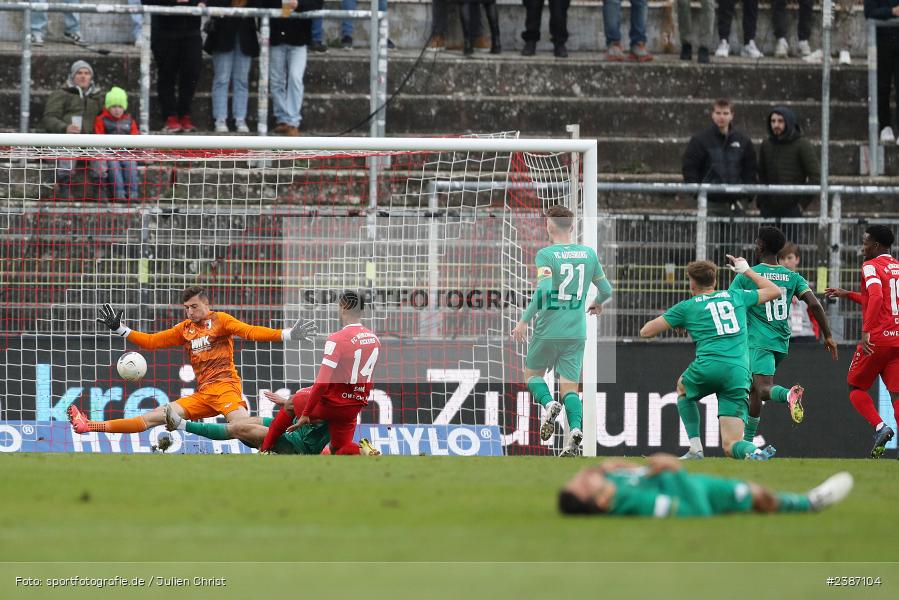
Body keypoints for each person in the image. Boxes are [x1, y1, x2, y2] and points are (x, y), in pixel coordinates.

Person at [67, 286, 316, 435]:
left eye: (194, 306)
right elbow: (152, 341)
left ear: (206, 304)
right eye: (186, 307)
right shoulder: (185, 329)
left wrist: (287, 334)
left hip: (226, 388)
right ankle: (90, 426)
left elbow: (250, 331)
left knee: (241, 428)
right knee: (160, 414)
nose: (189, 311)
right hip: (204, 393)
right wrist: (121, 329)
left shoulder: (222, 321)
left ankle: (294, 431)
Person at [640, 257, 780, 460]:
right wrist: (746, 271)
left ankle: (696, 449)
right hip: (738, 373)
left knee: (682, 388)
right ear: (714, 281)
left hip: (709, 367)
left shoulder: (687, 307)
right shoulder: (736, 296)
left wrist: (678, 320)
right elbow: (774, 291)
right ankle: (755, 451)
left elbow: (646, 332)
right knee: (731, 445)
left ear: (692, 282)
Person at [510, 205, 614, 456]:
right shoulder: (588, 254)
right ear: (571, 226)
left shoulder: (546, 255)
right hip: (576, 332)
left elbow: (544, 291)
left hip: (548, 329)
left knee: (531, 376)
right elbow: (607, 290)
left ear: (550, 225)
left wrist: (524, 320)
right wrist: (597, 302)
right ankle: (575, 431)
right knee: (571, 388)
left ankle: (549, 404)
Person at [728, 227, 838, 450]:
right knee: (753, 390)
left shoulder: (747, 275)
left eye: (757, 241)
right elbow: (815, 304)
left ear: (760, 246)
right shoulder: (792, 276)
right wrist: (828, 335)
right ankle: (748, 444)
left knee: (763, 389)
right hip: (781, 342)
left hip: (758, 341)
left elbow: (729, 303)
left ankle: (789, 395)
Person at [260, 290, 381, 455]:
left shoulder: (337, 338)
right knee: (338, 448)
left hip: (332, 403)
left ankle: (264, 450)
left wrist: (305, 413)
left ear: (344, 307)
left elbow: (322, 382)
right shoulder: (374, 339)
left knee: (292, 402)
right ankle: (363, 450)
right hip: (354, 406)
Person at [558, 453, 854, 517]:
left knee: (755, 492)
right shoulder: (633, 502)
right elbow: (693, 511)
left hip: (689, 482)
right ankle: (808, 504)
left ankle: (805, 501)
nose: (583, 474)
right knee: (756, 496)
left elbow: (598, 469)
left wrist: (614, 466)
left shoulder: (608, 480)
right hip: (693, 489)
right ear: (599, 501)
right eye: (582, 482)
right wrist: (676, 469)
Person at [825, 225, 899, 458]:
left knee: (855, 387)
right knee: (896, 395)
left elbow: (876, 296)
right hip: (897, 341)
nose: (862, 247)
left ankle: (880, 427)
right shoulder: (897, 267)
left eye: (866, 242)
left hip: (876, 340)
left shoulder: (870, 266)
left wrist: (867, 330)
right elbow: (881, 299)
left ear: (876, 245)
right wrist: (847, 294)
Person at [165, 388, 382, 455]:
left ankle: (181, 425)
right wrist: (287, 403)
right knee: (252, 421)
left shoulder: (339, 414)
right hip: (292, 432)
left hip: (299, 447)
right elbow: (298, 402)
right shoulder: (314, 395)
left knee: (240, 428)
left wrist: (362, 451)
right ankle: (265, 447)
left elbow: (338, 448)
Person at [682, 99, 757, 216]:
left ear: (732, 115)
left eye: (725, 113)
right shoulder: (699, 140)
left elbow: (750, 170)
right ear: (712, 114)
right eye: (718, 113)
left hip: (737, 204)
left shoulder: (744, 140)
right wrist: (698, 194)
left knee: (734, 235)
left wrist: (746, 198)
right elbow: (690, 168)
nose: (721, 117)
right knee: (709, 235)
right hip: (710, 203)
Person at [142, 0, 204, 133]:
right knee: (166, 74)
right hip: (165, 31)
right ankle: (170, 116)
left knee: (192, 72)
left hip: (192, 30)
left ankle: (184, 115)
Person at [39, 60, 104, 186]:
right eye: (79, 73)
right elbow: (48, 118)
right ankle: (65, 186)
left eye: (87, 73)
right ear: (73, 76)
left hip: (90, 140)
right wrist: (65, 128)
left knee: (100, 148)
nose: (83, 76)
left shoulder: (97, 97)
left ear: (91, 77)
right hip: (66, 139)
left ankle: (100, 187)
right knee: (68, 147)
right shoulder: (61, 94)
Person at [265, 0, 324, 137]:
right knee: (276, 80)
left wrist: (298, 5)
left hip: (299, 39)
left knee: (295, 77)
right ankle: (282, 119)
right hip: (276, 37)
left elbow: (317, 4)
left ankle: (292, 122)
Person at [205, 0, 261, 134]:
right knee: (222, 78)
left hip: (245, 34)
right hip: (222, 33)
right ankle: (220, 119)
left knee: (241, 80)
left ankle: (240, 119)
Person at [757, 106, 820, 219]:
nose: (776, 125)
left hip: (792, 210)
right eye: (773, 121)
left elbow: (816, 177)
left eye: (780, 121)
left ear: (789, 121)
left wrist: (801, 206)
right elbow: (762, 175)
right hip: (769, 211)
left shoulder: (802, 144)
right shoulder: (766, 145)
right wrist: (762, 203)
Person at [93, 86, 141, 201]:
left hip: (126, 152)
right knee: (114, 166)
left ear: (124, 107)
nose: (117, 110)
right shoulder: (101, 119)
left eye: (120, 106)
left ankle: (133, 193)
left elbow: (135, 137)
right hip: (109, 153)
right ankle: (119, 194)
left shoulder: (129, 121)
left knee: (131, 165)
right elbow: (98, 136)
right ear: (108, 107)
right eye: (113, 106)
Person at [865, 0, 899, 144]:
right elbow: (869, 12)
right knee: (882, 86)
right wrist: (891, 12)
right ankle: (885, 126)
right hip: (882, 41)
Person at [778, 243, 820, 342]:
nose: (786, 262)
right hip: (784, 337)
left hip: (806, 335)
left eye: (789, 258)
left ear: (797, 259)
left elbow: (813, 312)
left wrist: (816, 333)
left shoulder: (806, 285)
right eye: (782, 258)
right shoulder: (772, 285)